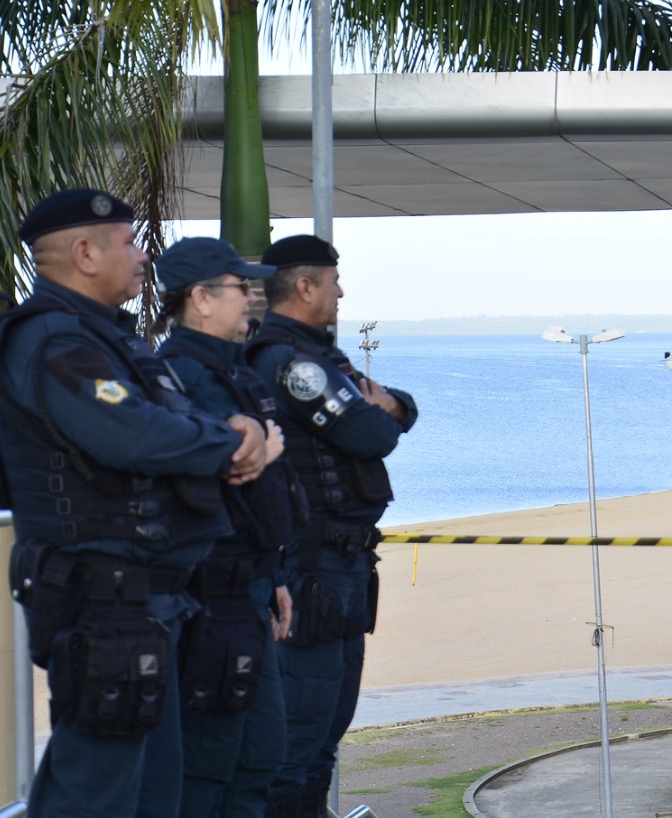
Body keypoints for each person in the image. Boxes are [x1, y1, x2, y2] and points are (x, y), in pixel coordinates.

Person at [0, 188, 273, 818]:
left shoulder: (107, 340)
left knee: (152, 797)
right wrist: (229, 442)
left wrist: (224, 436)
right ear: (86, 253)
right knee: (94, 795)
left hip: (146, 602)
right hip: (103, 603)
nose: (144, 255)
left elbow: (169, 423)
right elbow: (137, 434)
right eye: (129, 241)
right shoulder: (52, 341)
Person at [246, 235, 417, 818]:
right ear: (304, 286)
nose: (340, 292)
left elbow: (401, 407)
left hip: (339, 567)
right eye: (333, 280)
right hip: (310, 566)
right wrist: (383, 412)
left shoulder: (318, 357)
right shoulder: (291, 363)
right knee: (300, 734)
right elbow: (373, 433)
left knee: (325, 733)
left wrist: (387, 408)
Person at [154, 237, 305, 817]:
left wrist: (277, 577)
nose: (252, 298)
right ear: (200, 298)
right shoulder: (178, 374)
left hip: (253, 588)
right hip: (209, 594)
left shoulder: (232, 370)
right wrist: (259, 446)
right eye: (241, 287)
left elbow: (260, 476)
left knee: (262, 756)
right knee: (210, 765)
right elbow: (229, 462)